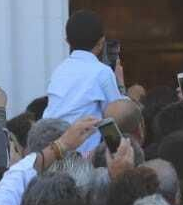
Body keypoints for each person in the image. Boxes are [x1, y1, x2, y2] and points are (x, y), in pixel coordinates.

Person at [43, 10, 125, 154]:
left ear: (67, 42)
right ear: (101, 42)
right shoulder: (102, 72)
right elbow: (118, 116)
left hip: (52, 151)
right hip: (83, 158)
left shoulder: (59, 70)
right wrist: (120, 84)